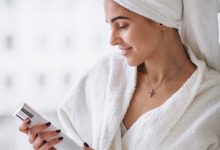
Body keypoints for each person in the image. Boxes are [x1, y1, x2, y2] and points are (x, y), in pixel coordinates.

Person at [18, 0, 220, 149]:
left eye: (122, 25)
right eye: (109, 25)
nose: (112, 39)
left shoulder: (212, 103)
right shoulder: (103, 77)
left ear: (160, 20)